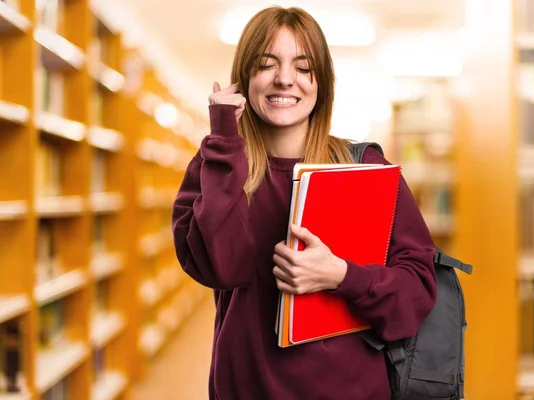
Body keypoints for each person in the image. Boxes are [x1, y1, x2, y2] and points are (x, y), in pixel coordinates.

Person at [172, 6, 437, 400]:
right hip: (246, 388)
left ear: (321, 82)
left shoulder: (363, 167)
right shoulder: (217, 164)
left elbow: (417, 293)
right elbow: (221, 269)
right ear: (244, 77)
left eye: (303, 66)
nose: (284, 79)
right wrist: (225, 140)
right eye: (266, 64)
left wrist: (342, 276)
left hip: (352, 390)